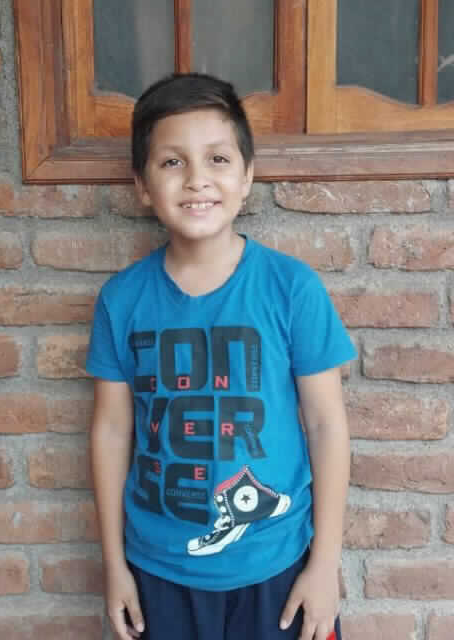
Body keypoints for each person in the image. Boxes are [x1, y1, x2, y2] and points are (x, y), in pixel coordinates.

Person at [86, 72, 356, 640]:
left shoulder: (291, 288)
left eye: (217, 159)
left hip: (277, 566)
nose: (197, 179)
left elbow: (326, 424)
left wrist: (324, 565)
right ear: (142, 185)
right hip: (158, 569)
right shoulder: (121, 300)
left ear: (247, 175)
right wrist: (114, 566)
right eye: (172, 162)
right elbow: (111, 431)